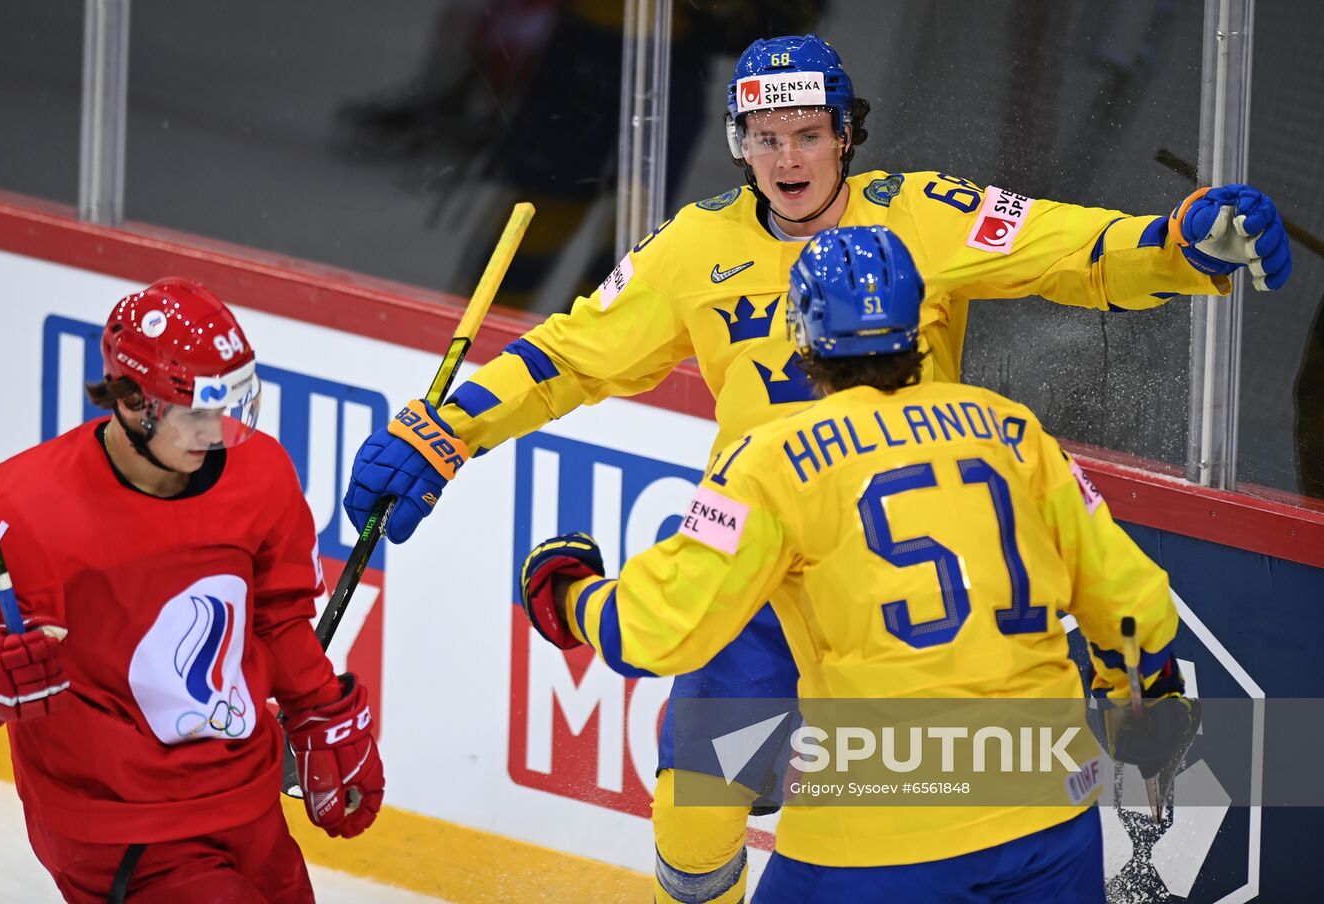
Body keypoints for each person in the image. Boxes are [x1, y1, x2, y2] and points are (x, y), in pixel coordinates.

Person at [344, 33, 1287, 903]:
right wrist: (447, 428)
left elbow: (1078, 252)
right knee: (696, 813)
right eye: (765, 137)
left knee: (903, 797)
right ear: (738, 141)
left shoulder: (926, 215)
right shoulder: (692, 247)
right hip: (757, 564)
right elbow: (569, 357)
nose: (788, 160)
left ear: (846, 135)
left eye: (808, 135)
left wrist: (1180, 242)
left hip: (870, 573)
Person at [518, 225, 1200, 902]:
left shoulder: (770, 461)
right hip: (1051, 810)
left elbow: (658, 629)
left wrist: (572, 597)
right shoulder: (1012, 430)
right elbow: (1129, 600)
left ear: (801, 334)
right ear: (920, 324)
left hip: (880, 834)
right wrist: (1139, 697)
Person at [0, 279, 385, 904]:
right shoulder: (24, 508)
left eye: (228, 407)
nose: (216, 431)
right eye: (197, 412)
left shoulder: (262, 475)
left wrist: (322, 713)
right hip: (122, 828)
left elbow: (279, 622)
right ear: (134, 400)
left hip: (244, 801)